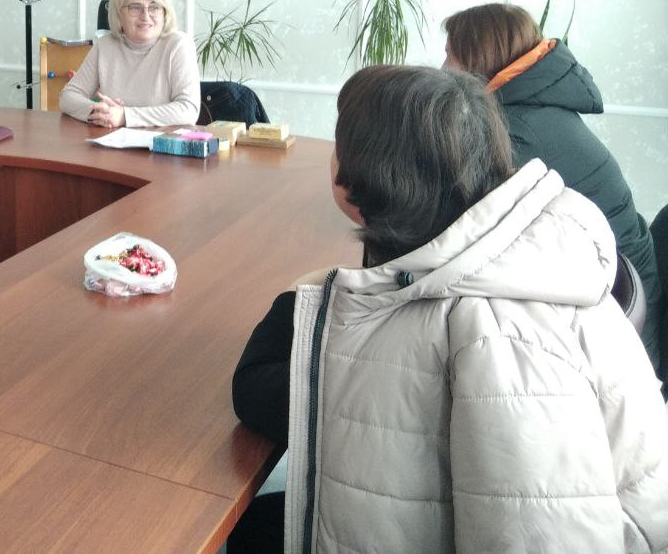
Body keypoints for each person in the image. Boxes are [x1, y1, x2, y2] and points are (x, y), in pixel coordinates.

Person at [230, 66, 668, 553]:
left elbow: (257, 390)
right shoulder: (505, 249)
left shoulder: (500, 342)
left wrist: (305, 290)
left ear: (362, 177)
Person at [442, 2, 662, 373]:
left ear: (478, 57)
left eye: (450, 55)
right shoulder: (531, 110)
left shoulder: (518, 132)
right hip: (618, 306)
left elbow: (462, 225)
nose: (442, 68)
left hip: (619, 340)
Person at [59, 0, 200, 128]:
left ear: (165, 13)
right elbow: (68, 96)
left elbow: (188, 109)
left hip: (162, 141)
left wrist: (125, 116)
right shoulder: (105, 46)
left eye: (154, 7)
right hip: (112, 140)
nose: (145, 16)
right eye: (135, 7)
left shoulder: (179, 45)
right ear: (119, 15)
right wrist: (99, 112)